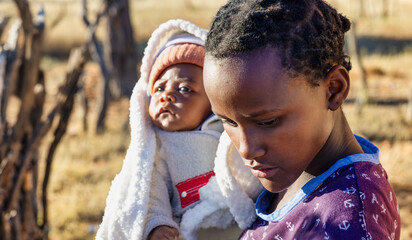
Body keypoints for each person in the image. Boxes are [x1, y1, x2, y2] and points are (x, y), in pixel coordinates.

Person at [202, 0, 401, 239]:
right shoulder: (292, 165)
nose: (246, 150)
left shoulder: (346, 223)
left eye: (267, 122)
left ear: (334, 89)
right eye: (228, 122)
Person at [96, 19, 256, 240]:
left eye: (184, 88)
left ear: (213, 100)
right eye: (159, 87)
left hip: (235, 222)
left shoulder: (226, 131)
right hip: (188, 229)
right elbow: (148, 193)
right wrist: (157, 225)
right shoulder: (156, 147)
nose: (166, 95)